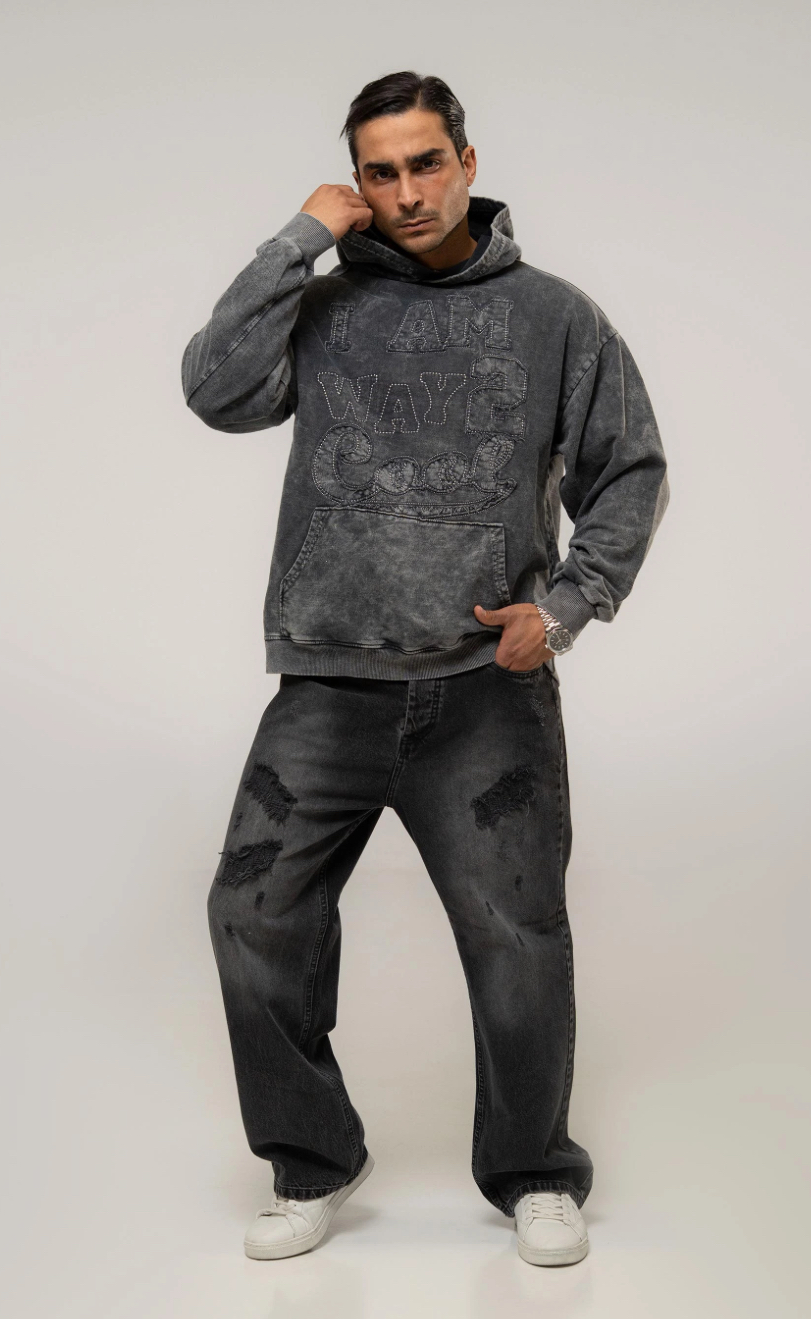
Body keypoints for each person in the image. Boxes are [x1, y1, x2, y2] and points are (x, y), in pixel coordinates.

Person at [181, 70, 669, 1267]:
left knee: (517, 937)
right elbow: (214, 391)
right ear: (357, 181)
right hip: (327, 685)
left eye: (425, 162)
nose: (406, 191)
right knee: (252, 911)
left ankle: (533, 1170)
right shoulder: (323, 307)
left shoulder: (554, 316)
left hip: (486, 695)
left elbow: (629, 471)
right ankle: (312, 1158)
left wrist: (565, 608)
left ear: (466, 160)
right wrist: (297, 239)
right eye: (380, 171)